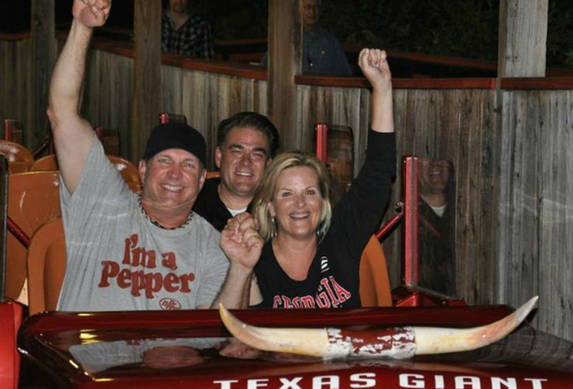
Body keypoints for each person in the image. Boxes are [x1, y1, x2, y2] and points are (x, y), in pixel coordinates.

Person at [47, 0, 258, 311]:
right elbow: (62, 112)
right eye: (164, 161)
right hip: (83, 356)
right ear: (143, 170)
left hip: (166, 360)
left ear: (202, 179)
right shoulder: (102, 199)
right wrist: (81, 27)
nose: (175, 175)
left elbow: (212, 336)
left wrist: (240, 268)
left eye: (187, 165)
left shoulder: (214, 245)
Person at [225, 47, 395, 309]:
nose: (300, 204)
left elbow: (379, 172)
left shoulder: (340, 238)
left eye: (310, 192)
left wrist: (382, 88)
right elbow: (239, 334)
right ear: (270, 206)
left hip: (342, 349)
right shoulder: (255, 257)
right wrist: (241, 267)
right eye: (287, 194)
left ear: (323, 201)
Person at [193, 112, 280, 231]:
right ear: (219, 157)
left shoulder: (281, 212)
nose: (246, 162)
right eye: (237, 152)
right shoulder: (191, 204)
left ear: (268, 165)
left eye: (257, 155)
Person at [260, 0, 352, 76]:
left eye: (315, 7)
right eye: (308, 7)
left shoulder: (329, 40)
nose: (312, 12)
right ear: (298, 9)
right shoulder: (287, 37)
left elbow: (345, 73)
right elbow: (265, 68)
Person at [417, 158, 456, 296]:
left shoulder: (465, 213)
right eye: (426, 156)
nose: (435, 162)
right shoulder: (402, 215)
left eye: (442, 157)